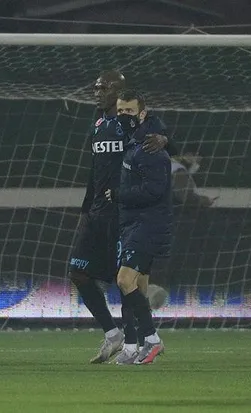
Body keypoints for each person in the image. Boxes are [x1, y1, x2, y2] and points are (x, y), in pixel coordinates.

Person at [68, 70, 170, 364]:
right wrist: (85, 210)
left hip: (124, 213)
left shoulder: (138, 125)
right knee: (77, 272)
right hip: (97, 213)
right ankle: (113, 333)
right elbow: (94, 172)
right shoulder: (98, 124)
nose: (97, 92)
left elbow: (165, 139)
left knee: (126, 281)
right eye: (96, 87)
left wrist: (164, 138)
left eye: (104, 88)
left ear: (118, 91)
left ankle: (135, 343)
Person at [106, 89, 172, 365]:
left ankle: (152, 339)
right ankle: (137, 345)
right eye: (121, 111)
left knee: (124, 280)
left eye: (130, 111)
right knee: (138, 286)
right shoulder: (132, 141)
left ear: (142, 114)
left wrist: (119, 195)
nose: (124, 116)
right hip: (133, 223)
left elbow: (154, 191)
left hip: (147, 225)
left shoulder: (150, 148)